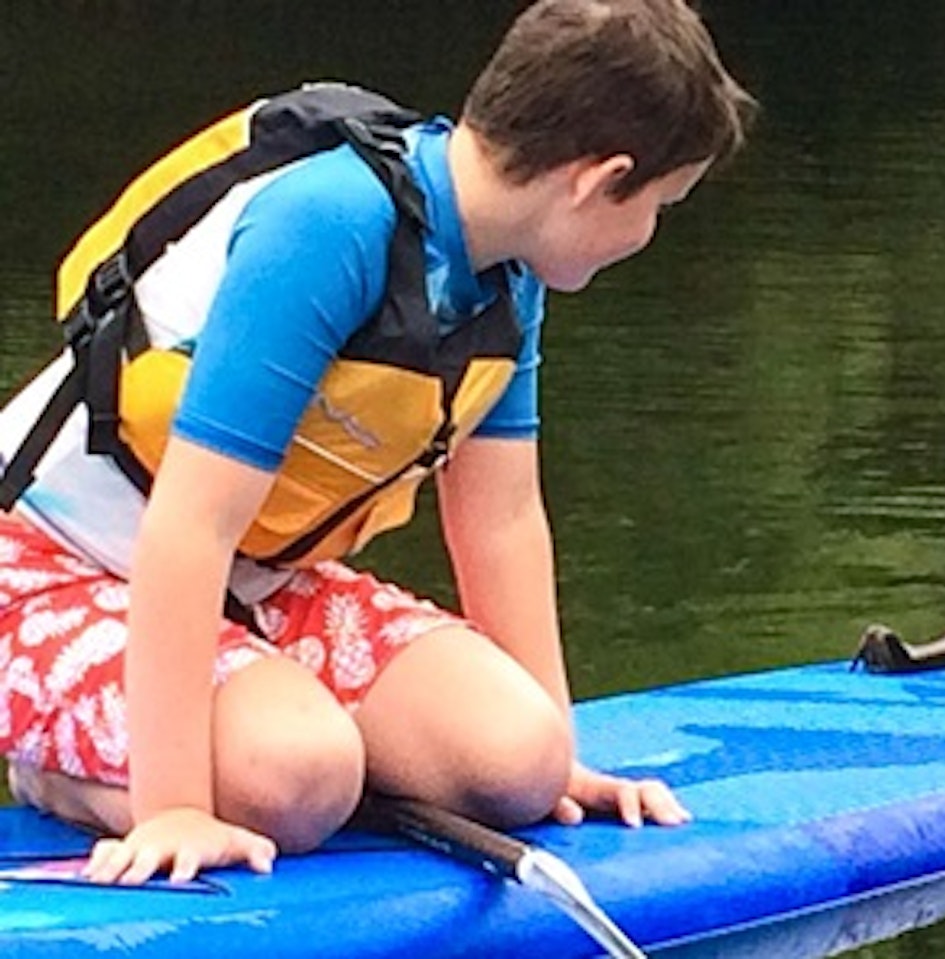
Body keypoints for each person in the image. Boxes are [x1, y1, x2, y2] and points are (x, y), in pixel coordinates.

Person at [0, 0, 754, 885]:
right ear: (596, 179)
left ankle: (255, 724)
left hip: (255, 581)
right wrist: (176, 808)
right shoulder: (329, 224)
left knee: (515, 758)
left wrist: (561, 764)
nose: (650, 233)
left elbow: (502, 518)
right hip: (48, 569)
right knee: (299, 776)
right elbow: (189, 524)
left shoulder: (507, 271)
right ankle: (59, 773)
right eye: (660, 204)